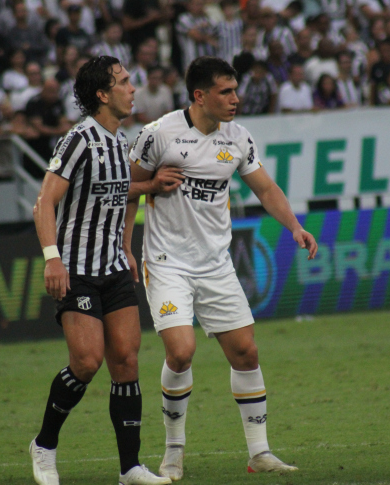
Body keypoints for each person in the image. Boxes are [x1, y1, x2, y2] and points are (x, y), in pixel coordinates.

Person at [126, 56, 318, 481]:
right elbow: (126, 189)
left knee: (246, 352)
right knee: (181, 351)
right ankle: (173, 452)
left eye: (235, 90)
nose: (236, 99)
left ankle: (260, 452)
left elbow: (265, 188)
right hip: (167, 261)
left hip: (216, 264)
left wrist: (295, 227)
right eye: (226, 92)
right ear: (200, 95)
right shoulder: (158, 135)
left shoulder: (239, 137)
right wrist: (128, 243)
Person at [28, 55, 171, 485]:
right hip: (76, 269)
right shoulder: (78, 141)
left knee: (126, 360)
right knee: (87, 362)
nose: (133, 88)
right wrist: (53, 257)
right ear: (102, 94)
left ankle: (130, 467)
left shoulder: (117, 139)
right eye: (125, 82)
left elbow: (116, 188)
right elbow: (44, 202)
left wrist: (149, 187)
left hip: (111, 265)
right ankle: (44, 446)